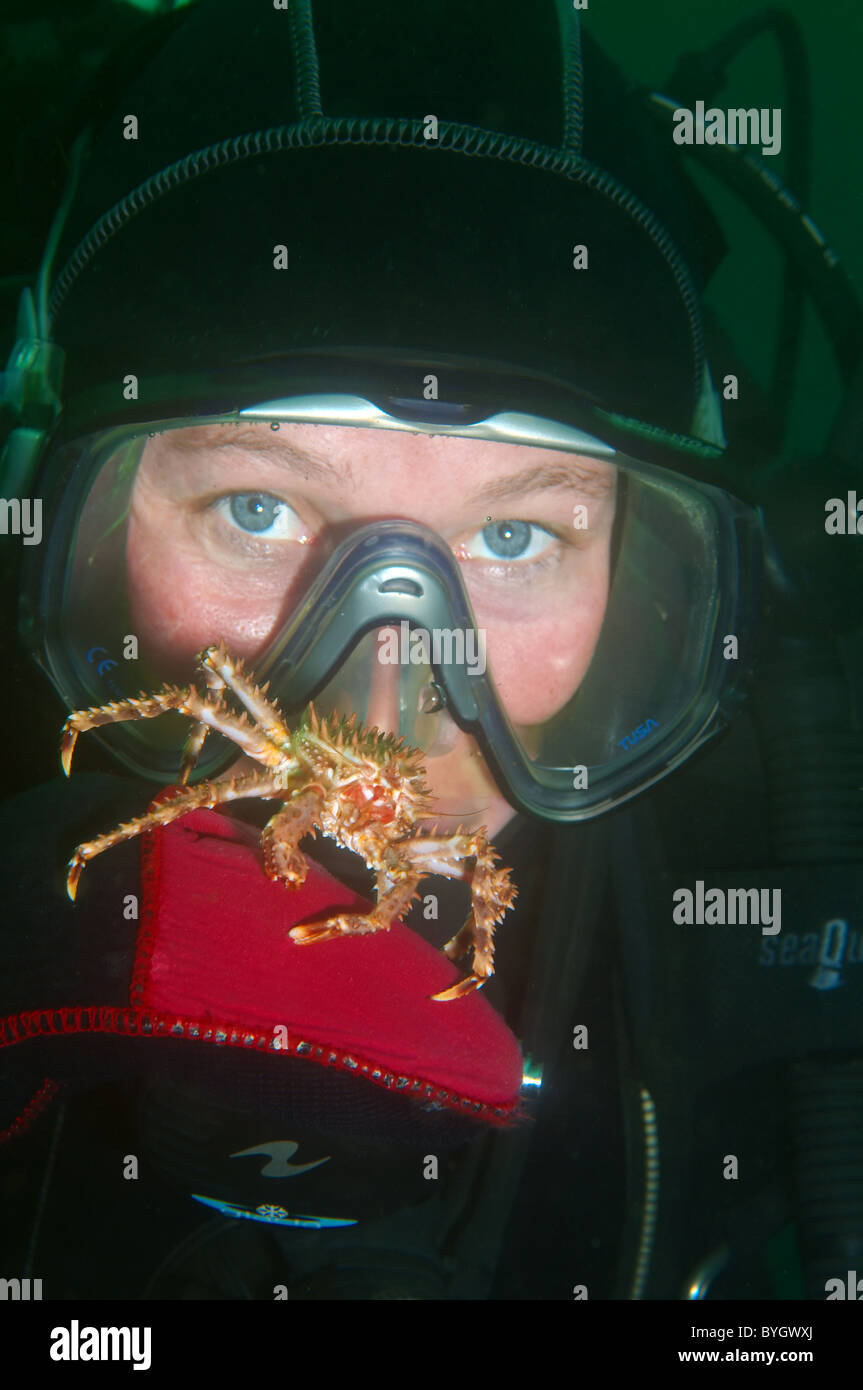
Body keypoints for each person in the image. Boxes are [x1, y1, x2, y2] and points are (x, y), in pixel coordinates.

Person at [0, 0, 859, 1302]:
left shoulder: (768, 956)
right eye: (257, 508)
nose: (392, 687)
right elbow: (209, 718)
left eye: (515, 531)